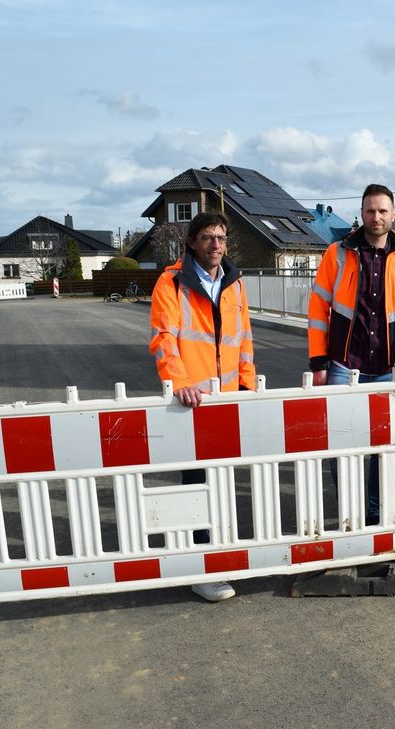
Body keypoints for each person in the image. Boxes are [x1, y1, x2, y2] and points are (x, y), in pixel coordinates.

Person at [307, 183, 395, 521]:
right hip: (343, 363)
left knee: (383, 448)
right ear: (362, 213)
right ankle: (348, 515)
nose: (376, 217)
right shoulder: (337, 253)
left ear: (393, 214)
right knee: (341, 444)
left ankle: (372, 515)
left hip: (388, 365)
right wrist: (318, 361)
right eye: (370, 211)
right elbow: (317, 307)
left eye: (383, 211)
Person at [149, 211, 255, 602]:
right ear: (192, 241)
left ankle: (218, 555)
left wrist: (246, 384)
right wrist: (179, 384)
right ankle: (201, 568)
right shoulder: (171, 282)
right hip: (190, 400)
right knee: (196, 484)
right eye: (209, 237)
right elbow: (164, 338)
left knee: (222, 481)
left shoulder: (234, 283)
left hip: (226, 398)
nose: (216, 245)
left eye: (222, 238)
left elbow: (243, 338)